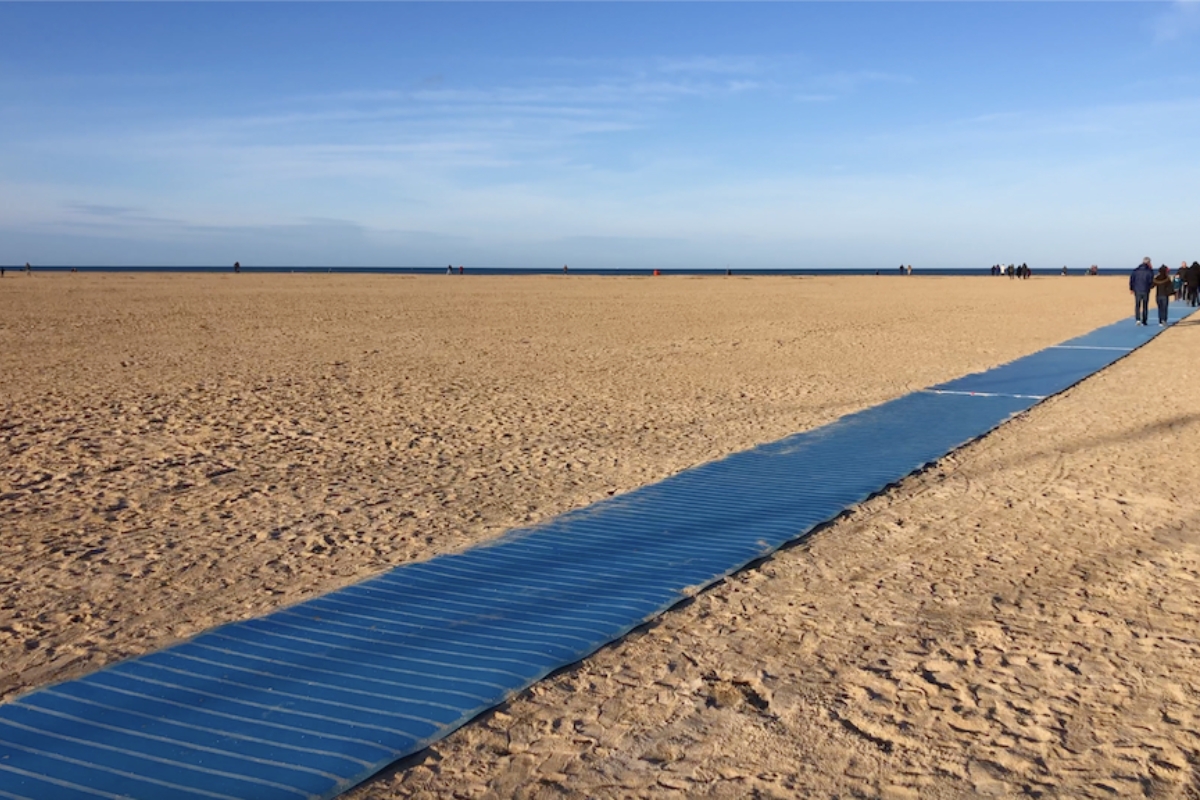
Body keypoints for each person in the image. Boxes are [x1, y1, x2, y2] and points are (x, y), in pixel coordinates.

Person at [1130, 257, 1155, 325]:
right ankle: (1144, 320)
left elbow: (1132, 280)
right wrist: (1150, 287)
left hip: (1137, 290)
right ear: (1148, 263)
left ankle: (1138, 319)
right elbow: (1151, 281)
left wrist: (1131, 288)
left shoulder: (1136, 270)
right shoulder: (1149, 271)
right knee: (1145, 305)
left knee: (1137, 305)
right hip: (1145, 290)